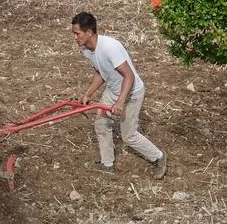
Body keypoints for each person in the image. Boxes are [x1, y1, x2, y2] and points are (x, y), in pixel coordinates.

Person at [71, 12, 168, 179]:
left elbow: (128, 76)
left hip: (131, 92)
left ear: (89, 32)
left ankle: (159, 157)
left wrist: (120, 102)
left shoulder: (110, 47)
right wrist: (88, 94)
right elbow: (101, 72)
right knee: (101, 124)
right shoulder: (86, 49)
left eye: (77, 33)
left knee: (129, 136)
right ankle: (107, 164)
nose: (75, 37)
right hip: (114, 90)